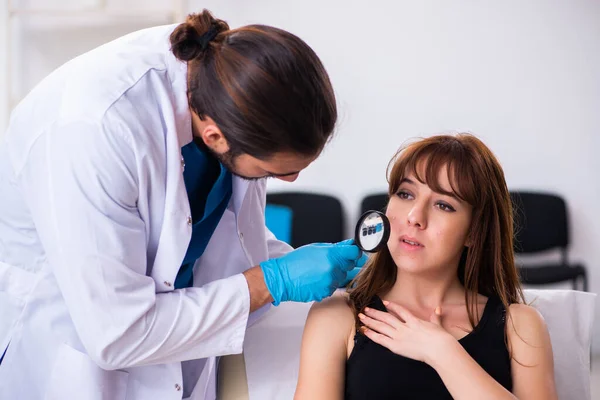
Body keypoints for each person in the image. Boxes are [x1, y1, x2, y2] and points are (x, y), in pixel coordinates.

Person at [0, 9, 366, 400]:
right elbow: (117, 334)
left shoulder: (226, 85)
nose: (290, 181)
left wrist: (296, 265)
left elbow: (225, 237)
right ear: (215, 137)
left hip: (172, 358)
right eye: (270, 172)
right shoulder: (95, 127)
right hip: (69, 353)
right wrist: (273, 282)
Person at [295, 134, 557, 400]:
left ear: (474, 232)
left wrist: (443, 353)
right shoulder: (337, 316)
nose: (414, 217)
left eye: (443, 205)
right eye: (405, 194)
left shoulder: (521, 326)